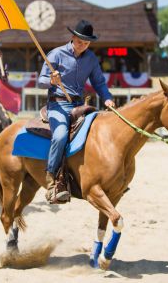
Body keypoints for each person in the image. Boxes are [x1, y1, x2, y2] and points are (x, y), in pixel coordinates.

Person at [38, 19, 115, 204]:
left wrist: (107, 98)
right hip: (57, 105)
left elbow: (99, 82)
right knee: (60, 135)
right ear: (72, 37)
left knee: (100, 133)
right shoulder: (56, 54)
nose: (83, 45)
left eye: (86, 43)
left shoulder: (91, 59)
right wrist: (51, 81)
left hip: (79, 105)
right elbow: (40, 81)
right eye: (80, 41)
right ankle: (52, 177)